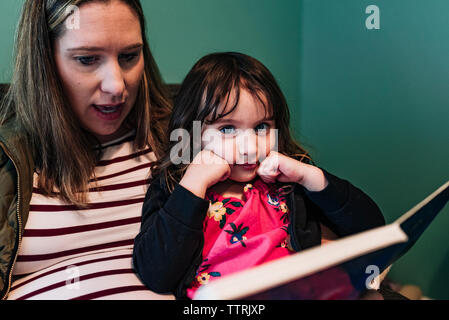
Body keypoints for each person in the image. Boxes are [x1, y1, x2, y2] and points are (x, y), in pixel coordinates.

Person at [132, 52, 387, 299]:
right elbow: (156, 273)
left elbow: (371, 228)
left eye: (261, 127)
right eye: (228, 128)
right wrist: (192, 185)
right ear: (192, 131)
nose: (250, 147)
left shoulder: (287, 182)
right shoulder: (174, 186)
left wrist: (312, 178)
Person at [0, 0, 173, 300]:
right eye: (88, 59)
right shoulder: (8, 159)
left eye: (130, 56)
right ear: (45, 62)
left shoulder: (183, 134)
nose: (116, 85)